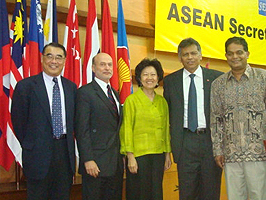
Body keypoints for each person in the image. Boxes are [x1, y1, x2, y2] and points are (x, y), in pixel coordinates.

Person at [210, 36, 266, 200]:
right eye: (230, 53)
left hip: (259, 151)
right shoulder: (218, 84)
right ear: (226, 56)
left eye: (239, 52)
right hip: (230, 154)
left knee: (258, 196)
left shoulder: (265, 78)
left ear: (247, 53)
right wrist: (218, 150)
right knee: (235, 197)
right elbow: (216, 120)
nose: (235, 57)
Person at [11, 43, 77, 200]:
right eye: (50, 56)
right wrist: (31, 144)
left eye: (59, 57)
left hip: (64, 154)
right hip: (37, 155)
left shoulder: (71, 88)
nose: (54, 61)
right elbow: (18, 121)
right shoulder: (26, 86)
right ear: (42, 59)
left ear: (64, 61)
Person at [163, 38, 223, 199]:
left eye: (193, 53)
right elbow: (168, 114)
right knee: (187, 191)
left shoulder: (217, 78)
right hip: (185, 142)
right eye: (185, 54)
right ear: (179, 58)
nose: (190, 57)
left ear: (201, 55)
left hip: (210, 142)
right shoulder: (170, 81)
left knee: (211, 190)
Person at [120, 58, 172, 200]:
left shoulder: (162, 102)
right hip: (138, 156)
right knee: (138, 193)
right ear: (139, 78)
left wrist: (167, 154)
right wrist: (130, 156)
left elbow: (166, 129)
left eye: (153, 74)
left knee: (155, 193)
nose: (149, 78)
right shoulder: (132, 100)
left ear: (158, 78)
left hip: (158, 155)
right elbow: (127, 129)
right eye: (145, 74)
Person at [75, 53, 123, 200]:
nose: (107, 68)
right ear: (93, 68)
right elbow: (81, 129)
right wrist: (88, 159)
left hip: (115, 163)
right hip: (95, 163)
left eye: (109, 64)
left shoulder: (114, 93)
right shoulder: (85, 92)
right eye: (102, 64)